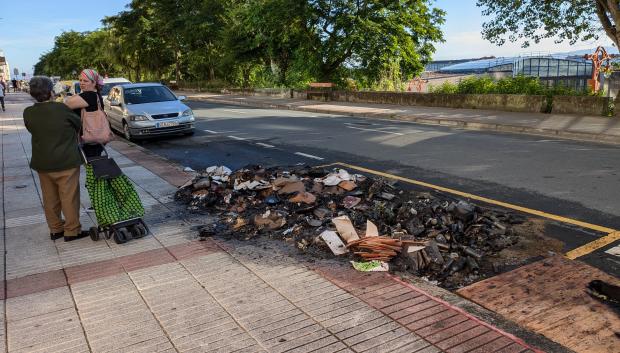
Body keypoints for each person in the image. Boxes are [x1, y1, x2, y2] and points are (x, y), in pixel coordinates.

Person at [23, 76, 88, 241]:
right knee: (69, 197)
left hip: (43, 162)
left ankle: (55, 230)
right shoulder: (61, 109)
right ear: (51, 91)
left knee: (49, 197)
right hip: (67, 160)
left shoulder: (28, 112)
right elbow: (77, 124)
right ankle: (72, 231)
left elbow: (32, 129)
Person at [65, 69, 106, 157]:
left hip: (90, 140)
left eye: (85, 81)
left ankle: (96, 170)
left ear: (94, 83)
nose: (82, 83)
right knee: (92, 164)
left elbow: (67, 104)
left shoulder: (89, 95)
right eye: (80, 80)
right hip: (94, 138)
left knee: (92, 165)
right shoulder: (95, 94)